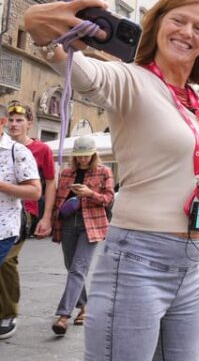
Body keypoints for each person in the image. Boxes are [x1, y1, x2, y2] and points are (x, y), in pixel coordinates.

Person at [23, 0, 199, 360]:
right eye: (177, 20)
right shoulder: (130, 80)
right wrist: (42, 24)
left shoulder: (194, 102)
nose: (187, 32)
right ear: (157, 25)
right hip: (138, 261)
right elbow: (78, 69)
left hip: (191, 265)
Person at [0, 100, 55, 340]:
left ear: (29, 124)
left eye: (18, 120)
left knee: (7, 260)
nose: (14, 124)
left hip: (23, 214)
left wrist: (46, 217)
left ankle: (9, 312)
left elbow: (48, 184)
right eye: (11, 120)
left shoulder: (37, 149)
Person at [50, 135, 114, 336]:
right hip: (68, 223)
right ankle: (84, 308)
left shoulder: (104, 172)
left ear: (93, 154)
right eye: (79, 156)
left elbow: (108, 199)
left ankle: (63, 316)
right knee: (72, 267)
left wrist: (89, 194)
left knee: (78, 268)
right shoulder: (67, 173)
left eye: (86, 156)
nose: (83, 160)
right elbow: (58, 199)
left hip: (91, 224)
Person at [0, 103, 41, 267]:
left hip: (3, 230)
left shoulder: (17, 151)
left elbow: (35, 191)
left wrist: (1, 186)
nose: (14, 123)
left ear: (2, 122)